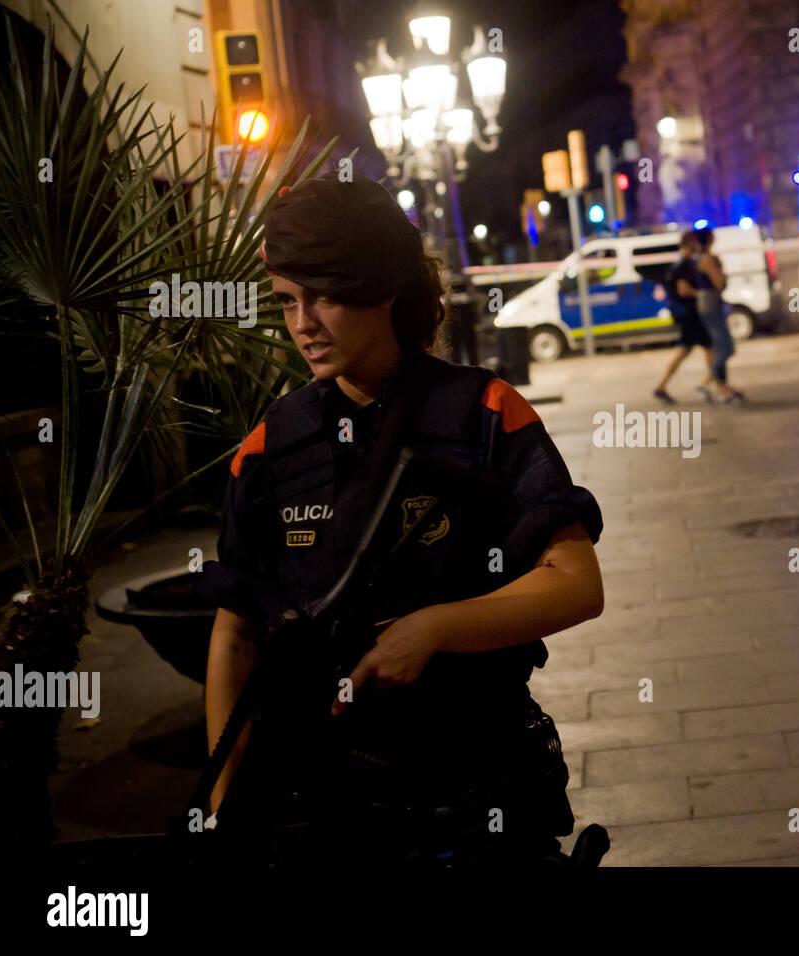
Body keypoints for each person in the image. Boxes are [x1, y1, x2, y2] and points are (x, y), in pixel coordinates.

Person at [196, 171, 605, 866]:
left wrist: (434, 630)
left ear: (380, 287)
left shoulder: (484, 411)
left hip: (479, 791)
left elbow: (575, 582)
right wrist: (223, 815)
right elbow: (235, 635)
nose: (303, 324)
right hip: (331, 810)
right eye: (287, 301)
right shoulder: (272, 445)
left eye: (323, 296)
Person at [653, 230, 714, 403]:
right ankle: (713, 384)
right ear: (690, 244)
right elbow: (683, 289)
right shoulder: (685, 265)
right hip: (691, 315)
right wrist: (702, 295)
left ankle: (711, 382)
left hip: (688, 315)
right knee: (705, 349)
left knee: (698, 350)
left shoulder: (679, 264)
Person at [689, 227, 744, 403]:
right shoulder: (708, 259)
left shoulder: (700, 258)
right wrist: (721, 271)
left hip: (708, 304)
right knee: (725, 348)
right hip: (711, 304)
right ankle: (710, 382)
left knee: (721, 347)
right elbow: (719, 283)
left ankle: (721, 387)